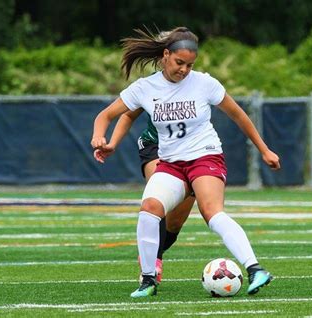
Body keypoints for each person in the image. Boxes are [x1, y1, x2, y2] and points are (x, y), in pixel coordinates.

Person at [91, 26, 281, 298]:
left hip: (205, 156)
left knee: (211, 211)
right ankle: (148, 280)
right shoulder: (145, 87)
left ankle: (255, 270)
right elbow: (106, 115)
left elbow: (239, 115)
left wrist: (264, 150)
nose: (184, 70)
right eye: (180, 63)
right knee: (150, 208)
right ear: (166, 55)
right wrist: (100, 138)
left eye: (190, 65)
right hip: (171, 164)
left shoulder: (205, 83)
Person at [94, 108, 196, 284]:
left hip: (193, 152)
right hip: (155, 145)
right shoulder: (150, 85)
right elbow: (125, 113)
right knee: (157, 201)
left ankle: (150, 253)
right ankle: (152, 266)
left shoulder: (201, 83)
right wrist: (111, 143)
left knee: (175, 223)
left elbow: (233, 111)